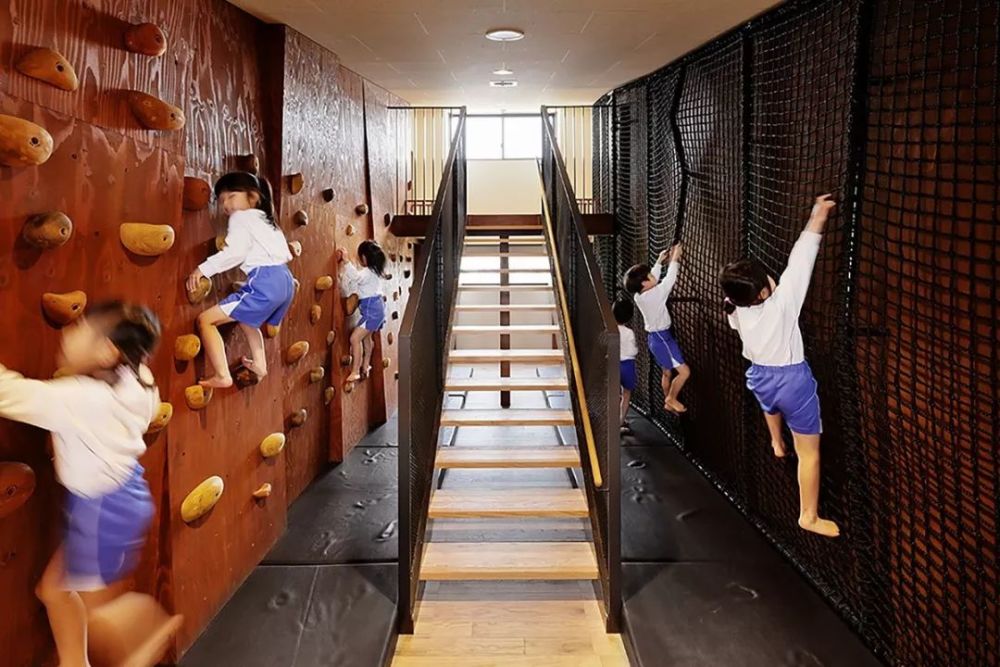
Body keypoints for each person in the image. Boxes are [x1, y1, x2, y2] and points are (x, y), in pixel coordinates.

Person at [0, 301, 182, 666]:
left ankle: (148, 630)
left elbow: (10, 395)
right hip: (121, 497)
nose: (69, 333)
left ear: (107, 351)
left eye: (81, 329)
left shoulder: (80, 398)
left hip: (103, 510)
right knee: (53, 591)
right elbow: (146, 406)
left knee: (99, 608)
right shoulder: (139, 380)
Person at [720, 194, 839, 538]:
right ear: (762, 292)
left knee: (769, 404)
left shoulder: (734, 309)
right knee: (809, 453)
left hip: (759, 377)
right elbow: (801, 259)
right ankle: (808, 516)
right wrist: (818, 215)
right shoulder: (782, 304)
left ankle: (775, 441)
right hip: (792, 383)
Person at [186, 172, 294, 389]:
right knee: (247, 319)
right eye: (222, 200)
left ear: (253, 198)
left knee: (205, 321)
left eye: (232, 196)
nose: (226, 204)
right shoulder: (268, 221)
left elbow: (235, 253)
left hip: (265, 281)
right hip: (286, 281)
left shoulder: (241, 218)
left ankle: (222, 375)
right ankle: (260, 365)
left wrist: (202, 270)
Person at [623, 243, 691, 413]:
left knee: (667, 373)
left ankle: (668, 403)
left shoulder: (639, 295)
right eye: (649, 276)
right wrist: (674, 259)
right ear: (645, 283)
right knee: (684, 372)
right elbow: (669, 280)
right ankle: (671, 398)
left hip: (655, 339)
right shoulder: (654, 295)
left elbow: (652, 279)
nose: (653, 276)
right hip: (663, 339)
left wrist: (660, 261)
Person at [338, 240, 387, 382]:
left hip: (372, 311)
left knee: (354, 339)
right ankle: (366, 366)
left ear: (364, 257)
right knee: (367, 338)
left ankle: (355, 371)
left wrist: (346, 261)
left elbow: (356, 277)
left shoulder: (367, 272)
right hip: (377, 309)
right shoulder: (375, 271)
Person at [613, 297, 638, 434]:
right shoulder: (629, 333)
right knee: (626, 394)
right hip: (628, 365)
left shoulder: (610, 331)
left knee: (614, 394)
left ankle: (612, 421)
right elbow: (633, 351)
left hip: (614, 365)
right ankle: (620, 421)